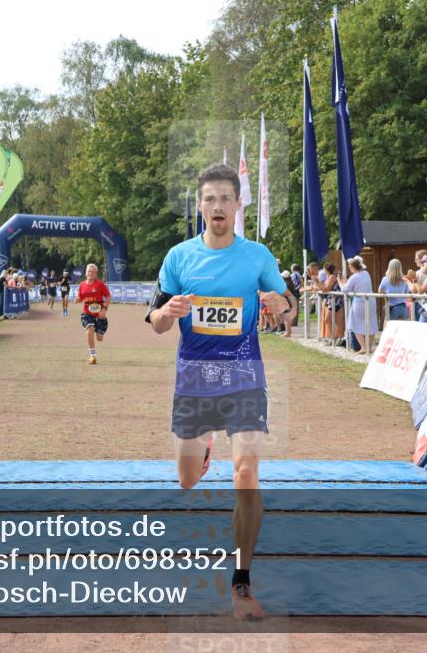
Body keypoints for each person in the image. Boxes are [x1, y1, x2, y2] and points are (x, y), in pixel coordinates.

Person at [146, 163, 297, 621]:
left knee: (247, 473)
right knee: (188, 480)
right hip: (194, 381)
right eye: (209, 198)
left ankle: (241, 580)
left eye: (224, 199)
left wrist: (281, 305)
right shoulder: (178, 258)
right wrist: (167, 313)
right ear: (199, 205)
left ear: (237, 205)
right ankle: (205, 444)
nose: (217, 206)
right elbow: (154, 324)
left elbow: (287, 309)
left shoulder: (257, 257)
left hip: (244, 376)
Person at [342, 257, 378, 354]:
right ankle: (369, 346)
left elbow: (345, 289)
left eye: (350, 266)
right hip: (371, 301)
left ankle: (363, 346)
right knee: (371, 322)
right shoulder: (366, 274)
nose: (349, 267)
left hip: (359, 302)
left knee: (354, 323)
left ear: (353, 267)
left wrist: (341, 283)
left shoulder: (354, 277)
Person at [75, 263, 110, 364]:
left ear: (96, 274)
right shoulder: (82, 285)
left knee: (99, 339)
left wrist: (104, 309)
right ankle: (92, 356)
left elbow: (108, 297)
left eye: (92, 271)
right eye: (88, 271)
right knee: (90, 330)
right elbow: (81, 297)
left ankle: (99, 330)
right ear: (86, 273)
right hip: (87, 314)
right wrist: (78, 299)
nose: (90, 273)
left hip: (99, 315)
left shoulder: (100, 285)